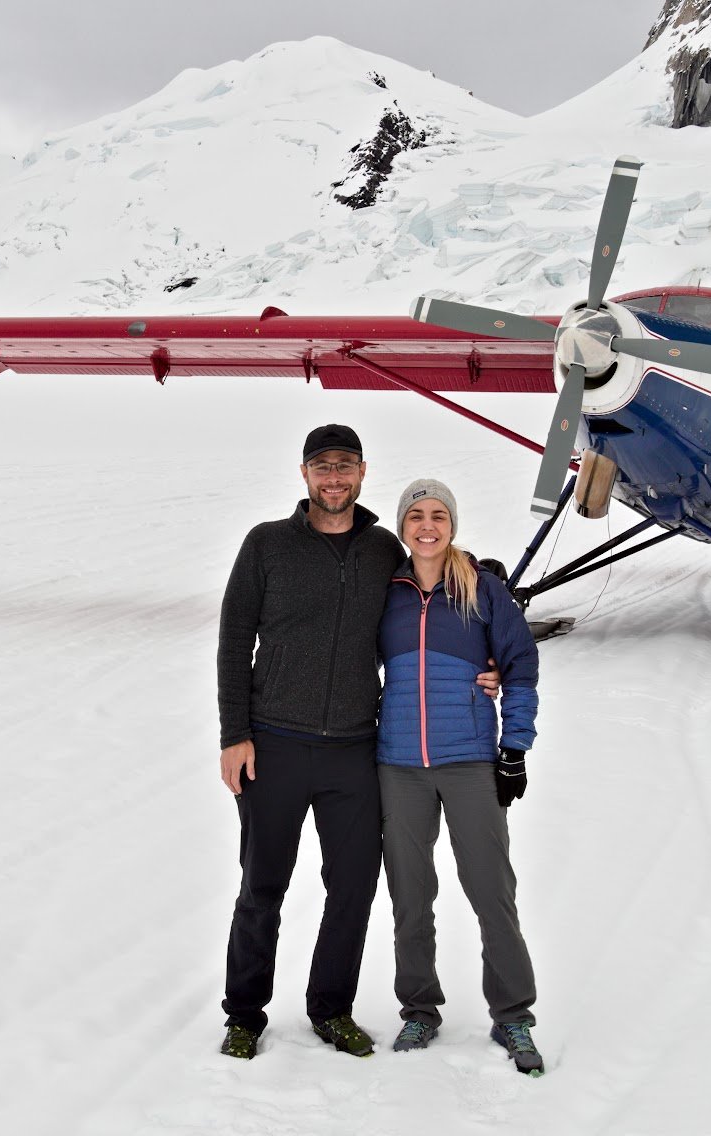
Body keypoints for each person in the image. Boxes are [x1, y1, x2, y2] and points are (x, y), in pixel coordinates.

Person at [214, 424, 404, 1060]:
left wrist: (487, 613)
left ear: (362, 472)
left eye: (344, 465)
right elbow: (235, 639)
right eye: (321, 466)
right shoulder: (267, 544)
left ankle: (331, 1009)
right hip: (274, 743)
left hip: (355, 748)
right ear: (304, 475)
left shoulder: (383, 549)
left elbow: (426, 605)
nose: (333, 478)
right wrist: (234, 734)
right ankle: (244, 1015)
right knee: (262, 887)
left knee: (352, 887)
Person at [376, 478, 546, 1075]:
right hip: (398, 763)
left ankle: (513, 1016)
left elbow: (519, 665)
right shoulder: (384, 591)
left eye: (439, 515)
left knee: (491, 890)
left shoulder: (483, 590)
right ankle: (419, 1008)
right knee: (410, 895)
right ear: (402, 525)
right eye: (416, 515)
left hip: (470, 759)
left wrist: (513, 748)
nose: (427, 525)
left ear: (453, 525)